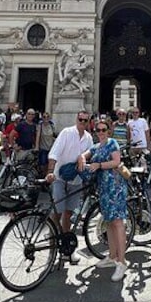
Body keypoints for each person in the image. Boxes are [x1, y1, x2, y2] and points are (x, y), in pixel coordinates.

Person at [78, 121, 128, 281]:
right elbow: (86, 154)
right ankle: (112, 257)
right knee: (109, 222)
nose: (101, 132)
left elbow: (116, 161)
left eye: (103, 130)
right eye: (98, 130)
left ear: (109, 130)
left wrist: (98, 164)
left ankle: (122, 262)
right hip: (103, 188)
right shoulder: (96, 146)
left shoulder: (112, 143)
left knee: (118, 223)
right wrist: (81, 158)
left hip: (115, 186)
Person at [46, 110, 93, 265]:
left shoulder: (88, 138)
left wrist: (83, 157)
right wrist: (50, 172)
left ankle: (67, 249)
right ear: (76, 119)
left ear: (88, 122)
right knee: (57, 213)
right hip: (59, 178)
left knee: (68, 214)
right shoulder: (67, 132)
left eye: (85, 120)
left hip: (76, 180)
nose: (82, 122)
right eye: (80, 119)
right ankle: (52, 252)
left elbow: (91, 153)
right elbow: (54, 153)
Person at [35, 111, 56, 176]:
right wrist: (37, 147)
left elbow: (53, 136)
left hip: (50, 148)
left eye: (47, 117)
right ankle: (43, 176)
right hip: (43, 148)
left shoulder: (52, 126)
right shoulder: (40, 126)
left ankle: (47, 178)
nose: (46, 118)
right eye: (44, 117)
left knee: (49, 164)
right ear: (42, 118)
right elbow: (38, 137)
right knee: (43, 164)